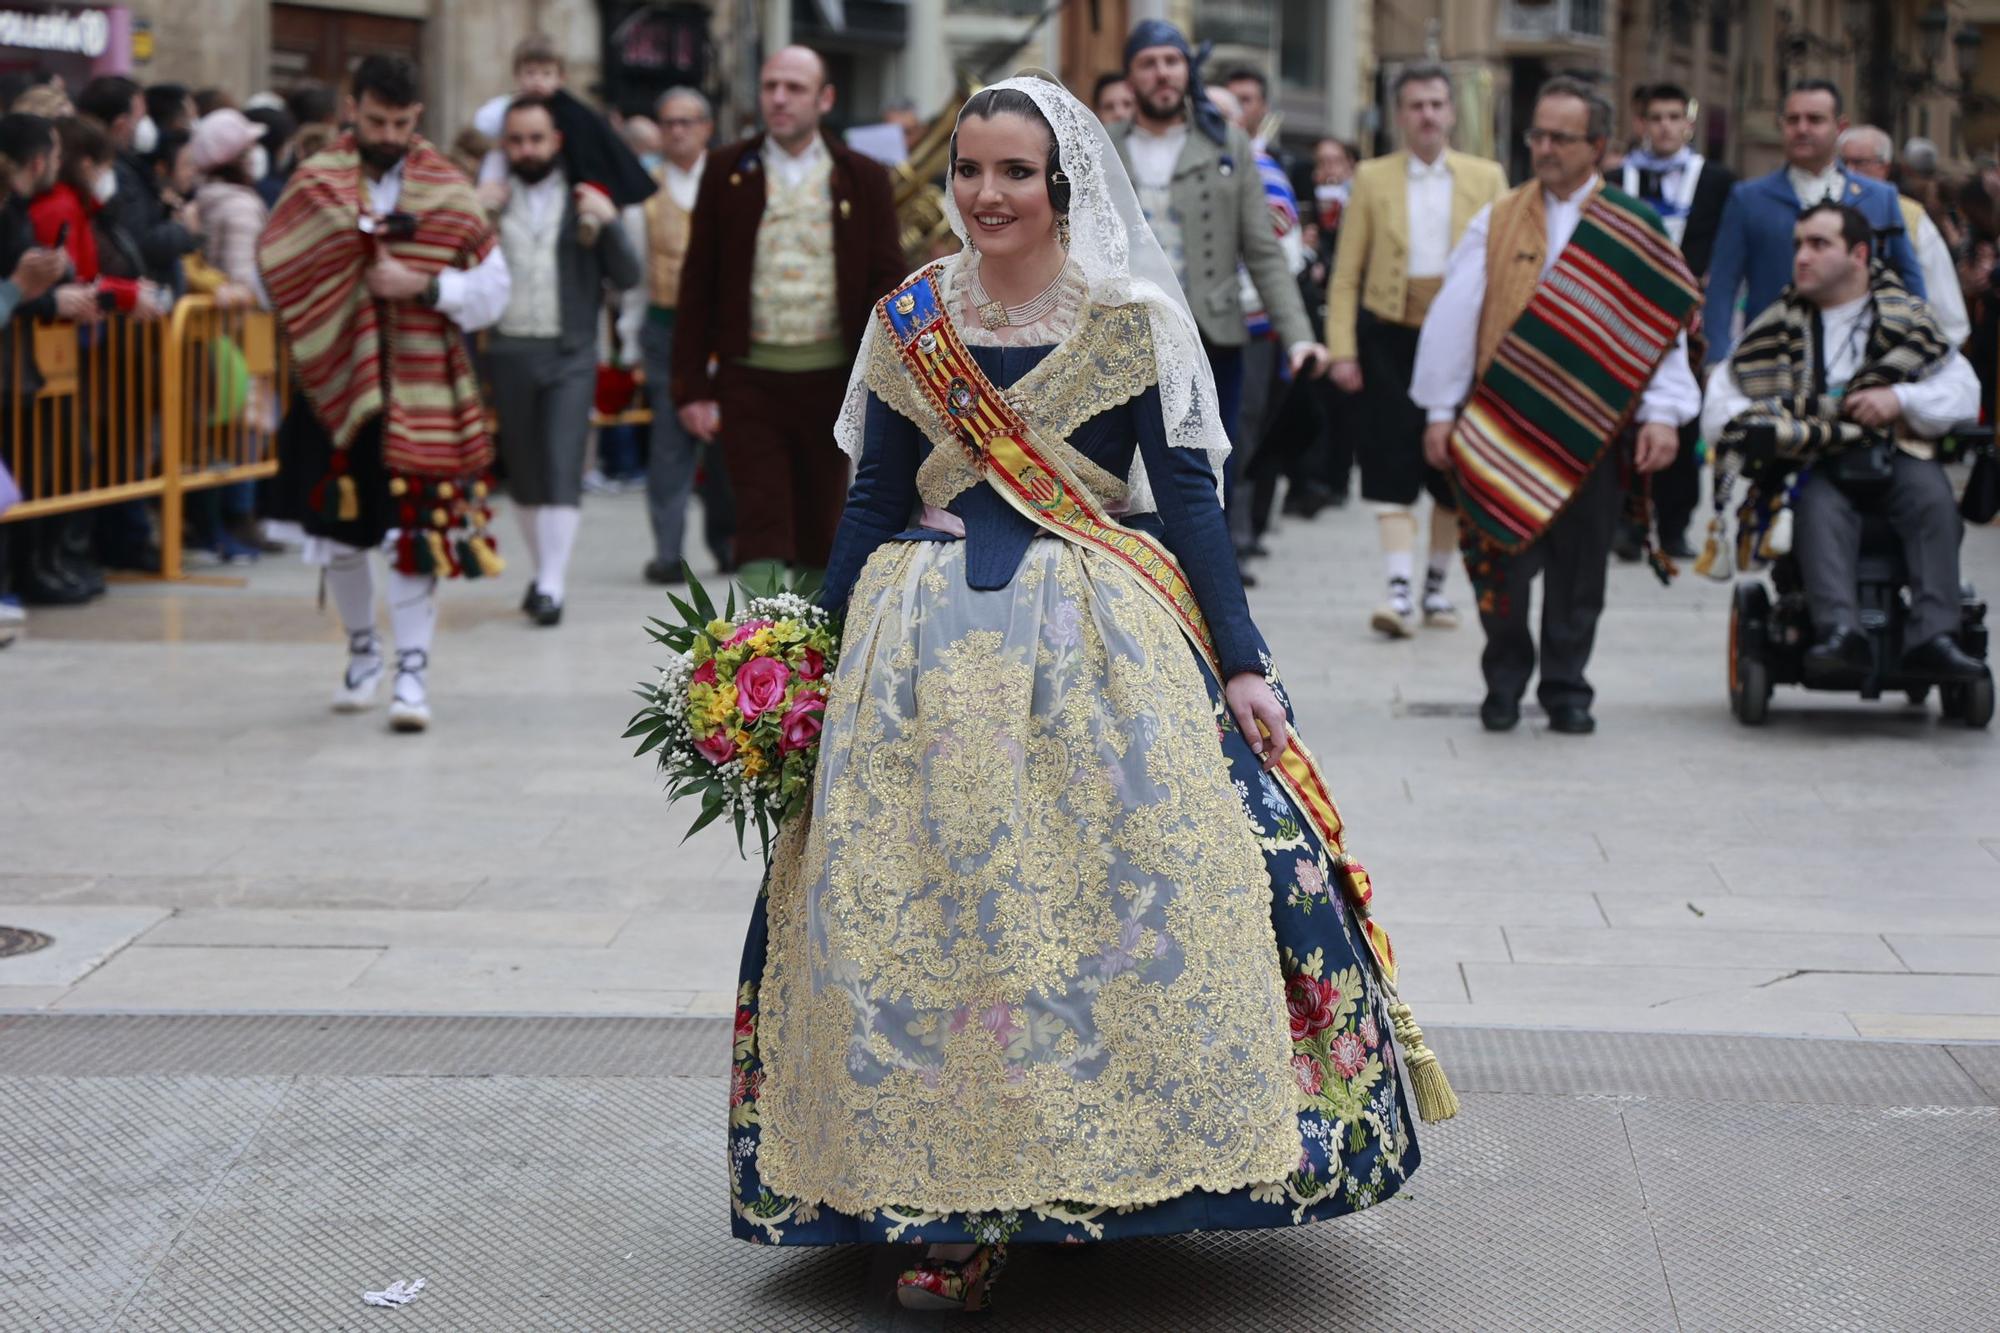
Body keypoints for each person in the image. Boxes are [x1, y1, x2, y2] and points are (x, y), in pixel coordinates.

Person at [730, 73, 1442, 1312]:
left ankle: (1102, 1168)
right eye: (967, 171)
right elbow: (869, 500)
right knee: (929, 911)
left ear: (1063, 184)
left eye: (1014, 171)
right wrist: (809, 657)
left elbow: (1187, 504)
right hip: (924, 657)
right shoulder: (910, 321)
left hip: (1096, 642)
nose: (987, 194)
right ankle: (940, 1192)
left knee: (1125, 896)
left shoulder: (1131, 320)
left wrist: (1240, 659)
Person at [1412, 77, 1702, 736]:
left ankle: (1568, 686)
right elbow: (1456, 318)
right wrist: (1438, 411)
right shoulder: (1501, 216)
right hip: (1499, 425)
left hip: (1593, 430)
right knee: (1501, 565)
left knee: (1580, 568)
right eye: (1536, 134)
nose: (1543, 147)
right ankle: (1505, 680)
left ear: (1597, 145)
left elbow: (1663, 332)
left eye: (1558, 137)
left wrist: (1662, 413)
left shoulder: (1636, 229)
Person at [259, 54, 512, 733]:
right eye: (377, 120)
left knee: (412, 535)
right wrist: (337, 264)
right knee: (340, 533)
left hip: (423, 389)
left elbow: (494, 291)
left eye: (402, 122)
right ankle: (362, 649)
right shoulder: (315, 183)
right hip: (334, 385)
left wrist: (424, 287)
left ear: (418, 118)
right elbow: (273, 268)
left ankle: (413, 671)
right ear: (352, 107)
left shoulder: (445, 186)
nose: (390, 134)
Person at [1700, 201, 1982, 683]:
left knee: (1934, 499)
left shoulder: (1909, 320)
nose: (1802, 257)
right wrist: (1779, 423)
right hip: (1818, 462)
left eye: (1818, 244)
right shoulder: (1776, 326)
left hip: (1898, 453)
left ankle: (1935, 637)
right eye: (1798, 246)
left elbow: (1963, 391)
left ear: (1858, 254)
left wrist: (1899, 398)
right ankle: (1838, 634)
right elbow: (1721, 406)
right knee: (1815, 506)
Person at [670, 45, 903, 573]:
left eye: (794, 88)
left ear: (825, 98)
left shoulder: (861, 175)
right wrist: (691, 387)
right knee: (759, 518)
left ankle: (813, 648)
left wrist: (886, 378)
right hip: (749, 377)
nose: (779, 98)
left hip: (833, 378)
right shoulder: (727, 169)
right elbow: (697, 281)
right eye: (771, 86)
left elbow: (887, 281)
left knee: (824, 517)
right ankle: (760, 650)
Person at [1108, 20, 1326, 550]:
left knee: (1206, 476)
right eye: (1148, 62)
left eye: (1172, 60)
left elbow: (1264, 252)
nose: (1162, 73)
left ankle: (1210, 599)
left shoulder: (1225, 144)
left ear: (1188, 69)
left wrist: (1298, 336)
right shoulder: (1103, 146)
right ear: (1131, 76)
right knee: (1119, 481)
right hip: (1118, 337)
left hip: (1211, 338)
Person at [1327, 64, 1506, 639]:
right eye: (1415, 106)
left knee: (1452, 461)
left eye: (1436, 104)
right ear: (1400, 116)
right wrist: (1342, 349)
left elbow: (1505, 271)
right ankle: (1398, 589)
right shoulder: (1373, 178)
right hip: (1390, 336)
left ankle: (1435, 584)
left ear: (1451, 112)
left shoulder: (1488, 177)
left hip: (1462, 341)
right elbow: (1346, 275)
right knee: (1389, 457)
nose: (1427, 115)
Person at [486, 94, 639, 627]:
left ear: (557, 142)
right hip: (508, 348)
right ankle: (541, 570)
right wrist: (475, 211)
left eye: (536, 138)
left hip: (570, 350)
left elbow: (628, 275)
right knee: (525, 469)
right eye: (517, 140)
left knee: (561, 458)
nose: (527, 149)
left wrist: (611, 221)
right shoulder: (492, 200)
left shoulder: (583, 201)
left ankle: (552, 582)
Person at [1703, 80, 1924, 367]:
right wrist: (1716, 360)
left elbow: (1911, 281)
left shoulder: (1880, 198)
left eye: (1815, 119)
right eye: (1793, 120)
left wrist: (1915, 351)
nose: (1802, 129)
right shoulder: (1747, 198)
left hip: (1863, 360)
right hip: (1771, 359)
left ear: (1840, 127)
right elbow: (1722, 284)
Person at [1612, 82, 1737, 562]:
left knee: (1681, 423)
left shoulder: (1716, 181)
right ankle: (1627, 520)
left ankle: (1675, 525)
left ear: (1688, 123)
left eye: (1673, 117)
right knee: (1623, 422)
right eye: (1654, 117)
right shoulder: (1617, 179)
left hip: (1691, 324)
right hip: (1626, 320)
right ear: (1640, 124)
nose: (1664, 126)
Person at [625, 86, 735, 585]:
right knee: (669, 441)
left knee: (728, 442)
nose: (676, 131)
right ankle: (667, 551)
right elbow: (637, 279)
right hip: (666, 328)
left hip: (726, 327)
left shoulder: (732, 183)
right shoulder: (644, 193)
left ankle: (729, 542)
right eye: (668, 123)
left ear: (706, 128)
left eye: (686, 122)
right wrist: (628, 342)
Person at [0, 113, 84, 621]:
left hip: (14, 360)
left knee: (11, 486)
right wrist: (28, 291)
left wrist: (35, 284)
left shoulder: (18, 212)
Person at [1838, 126, 1969, 348]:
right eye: (1843, 163)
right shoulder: (1822, 212)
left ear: (1884, 168)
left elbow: (1948, 314)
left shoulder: (1910, 217)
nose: (1849, 172)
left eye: (1860, 163)